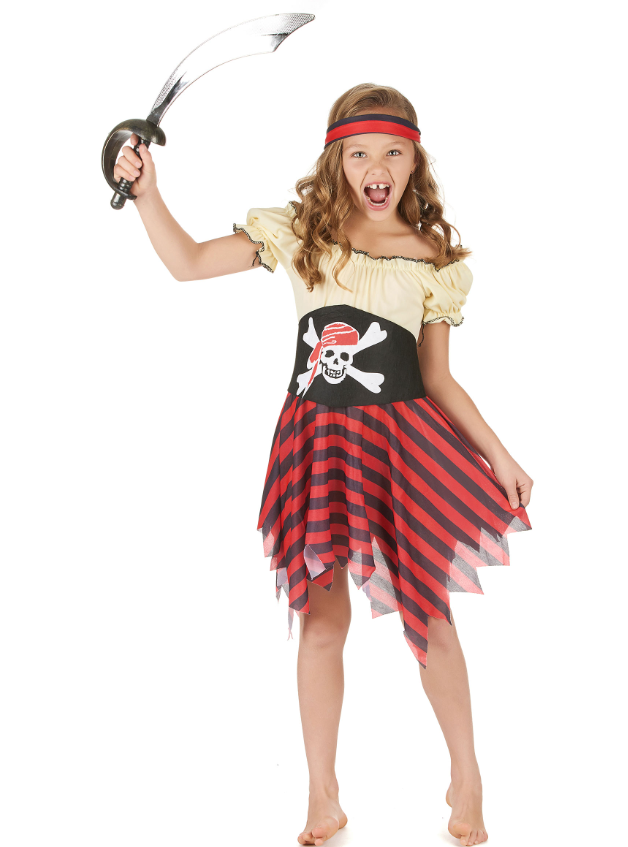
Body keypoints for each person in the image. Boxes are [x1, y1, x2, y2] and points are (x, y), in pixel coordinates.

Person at [114, 82, 533, 847]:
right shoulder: (301, 234)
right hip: (316, 444)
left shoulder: (432, 259)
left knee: (429, 612)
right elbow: (189, 262)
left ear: (414, 162)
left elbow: (438, 377)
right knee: (320, 617)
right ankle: (321, 792)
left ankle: (467, 774)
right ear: (338, 160)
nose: (379, 167)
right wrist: (146, 194)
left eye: (394, 153)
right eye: (361, 152)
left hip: (401, 450)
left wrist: (498, 452)